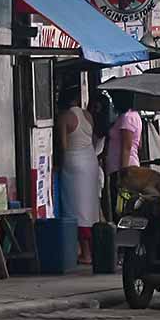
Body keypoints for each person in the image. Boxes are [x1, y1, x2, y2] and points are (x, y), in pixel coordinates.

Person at [55, 89, 101, 264]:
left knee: (75, 209)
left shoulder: (64, 118)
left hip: (73, 163)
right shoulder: (88, 116)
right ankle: (94, 251)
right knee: (90, 209)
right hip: (90, 162)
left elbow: (63, 145)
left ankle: (86, 253)